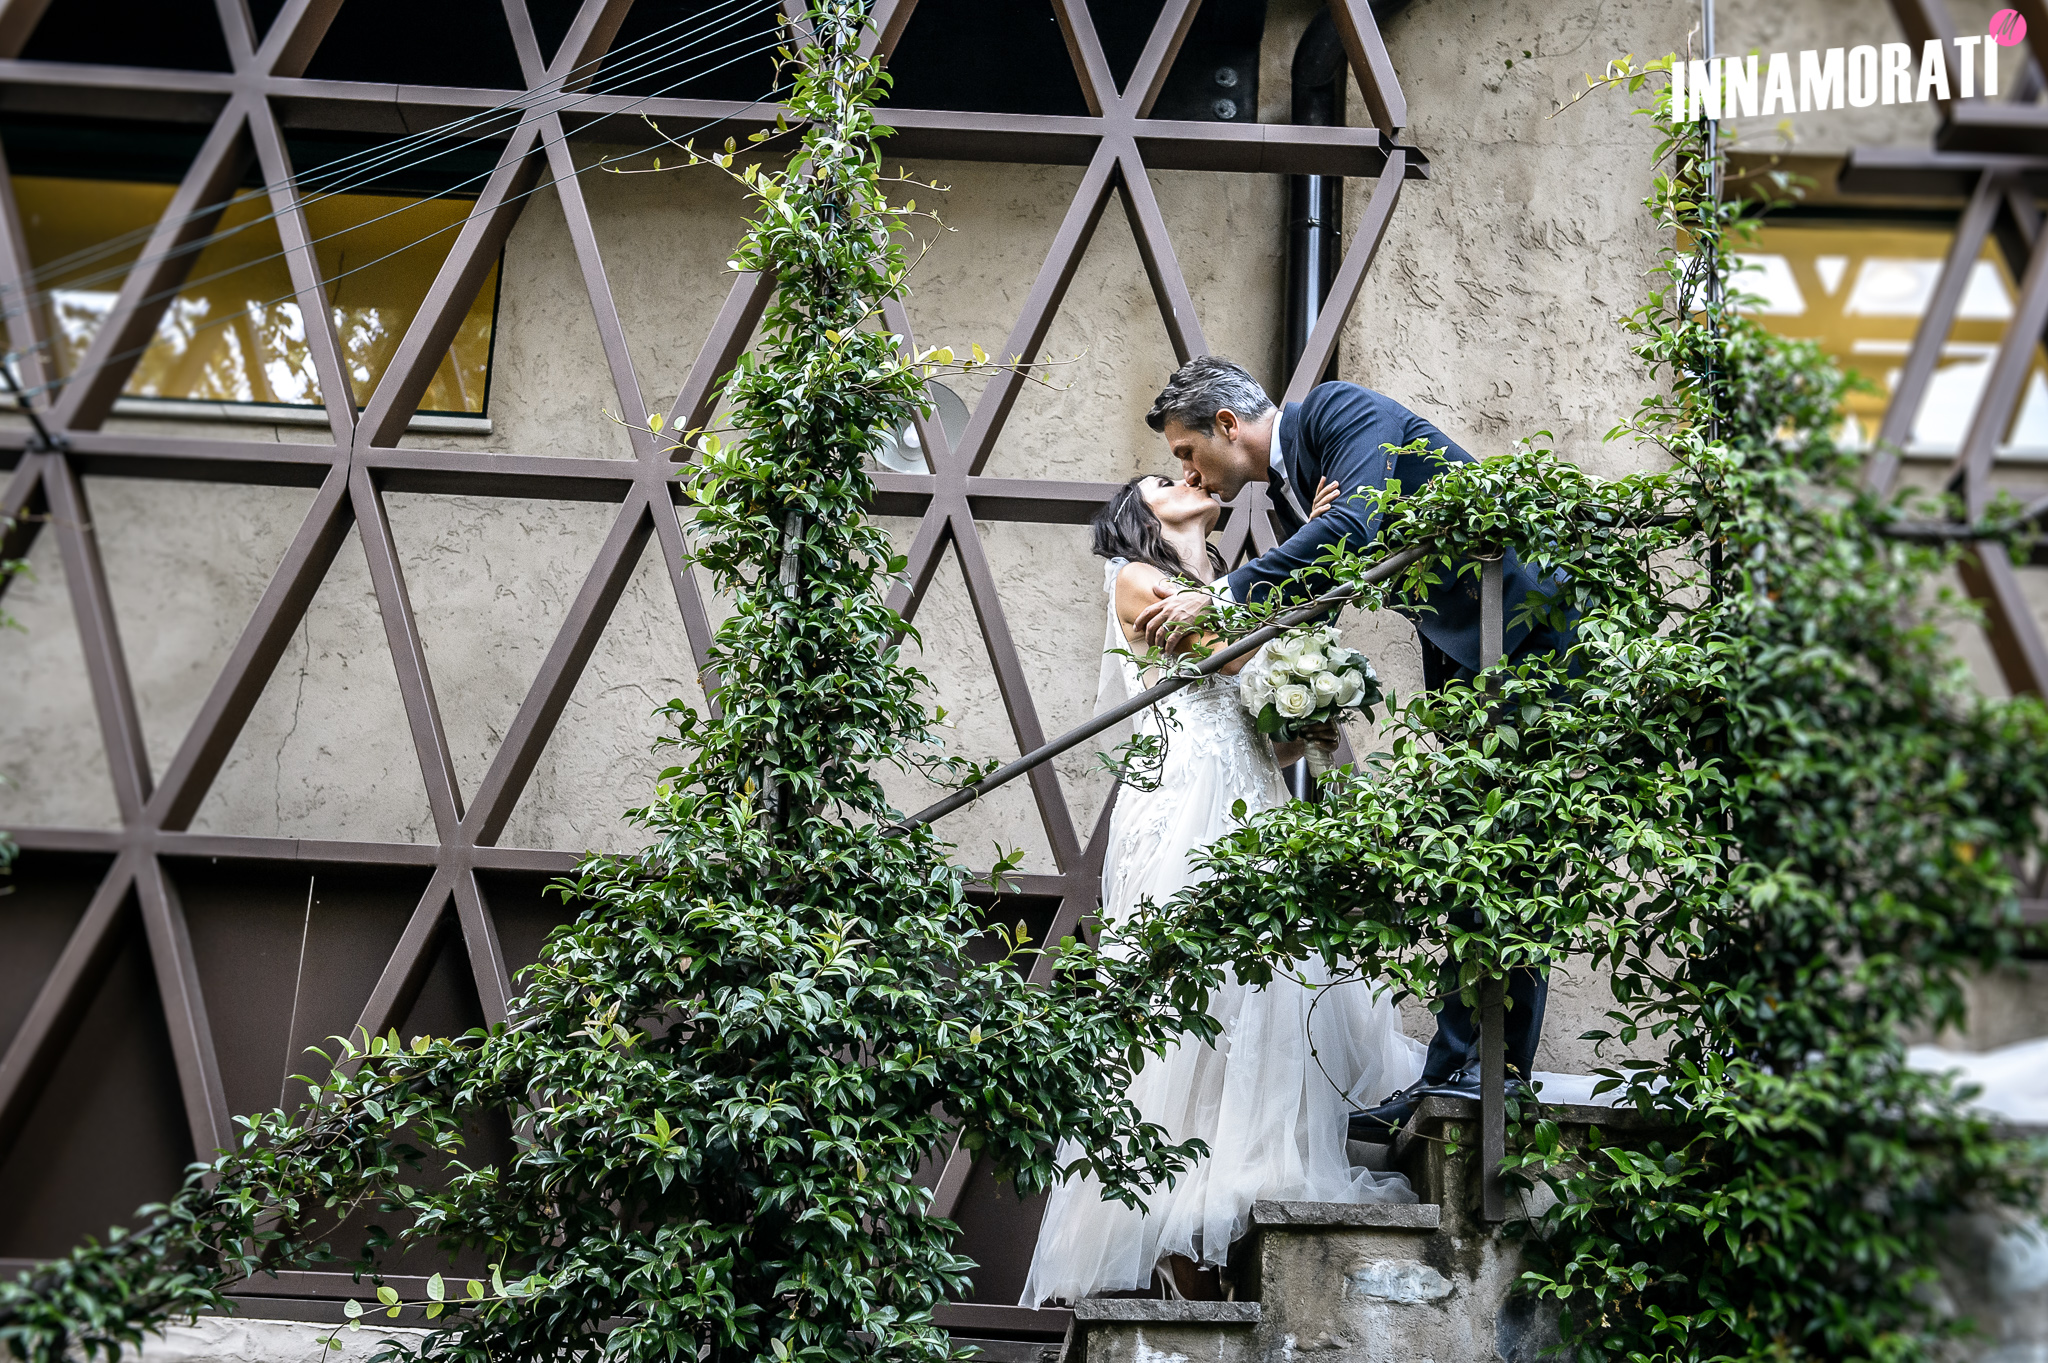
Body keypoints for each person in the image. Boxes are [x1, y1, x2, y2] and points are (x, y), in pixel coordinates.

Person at [1131, 356, 1569, 1140]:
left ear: (1227, 425)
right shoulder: (1307, 482)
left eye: (1187, 453)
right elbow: (1339, 554)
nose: (1189, 470)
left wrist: (1229, 590)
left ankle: (1489, 1078)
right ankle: (1454, 1074)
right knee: (1476, 861)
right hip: (1475, 657)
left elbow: (1354, 533)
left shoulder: (1339, 411)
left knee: (1507, 858)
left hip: (1530, 639)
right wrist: (1322, 535)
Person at [1016, 471, 1422, 1308]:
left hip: (1248, 791)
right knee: (1186, 1010)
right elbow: (1232, 658)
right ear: (1141, 516)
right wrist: (1306, 578)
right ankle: (1171, 1231)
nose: (1191, 477)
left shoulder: (1209, 590)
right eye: (1167, 478)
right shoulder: (1136, 576)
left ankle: (1213, 1218)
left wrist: (1303, 711)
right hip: (1189, 800)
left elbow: (1265, 730)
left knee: (1259, 992)